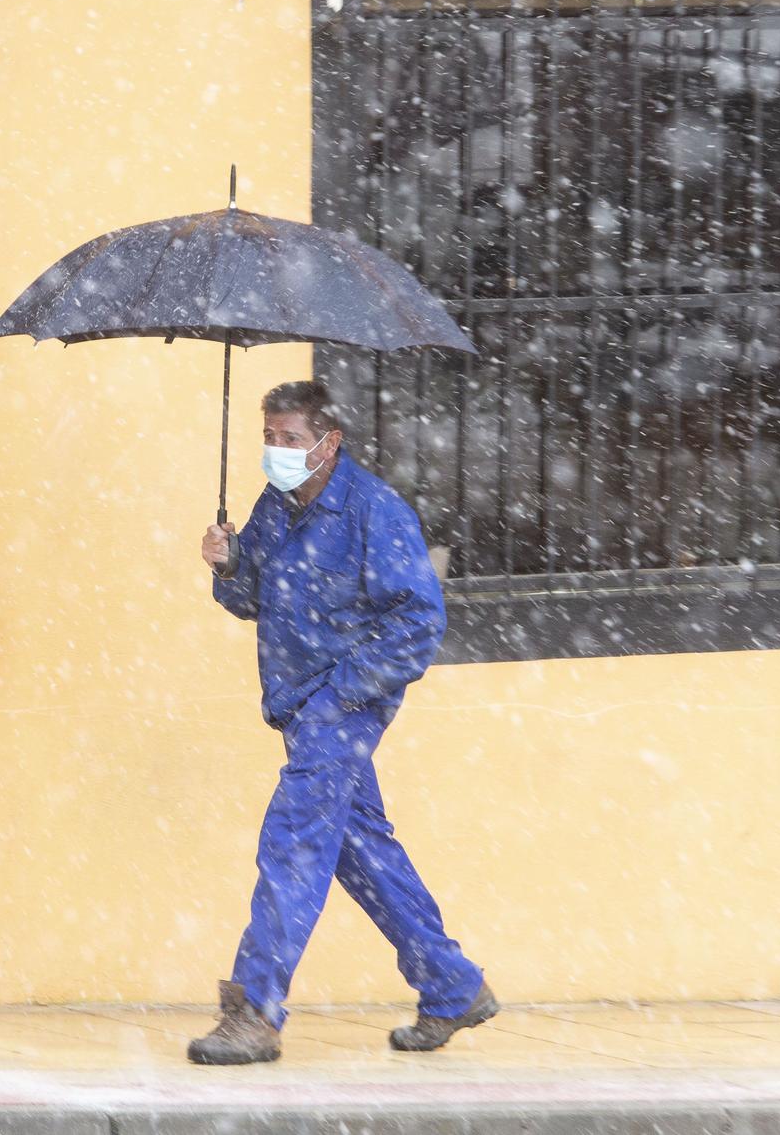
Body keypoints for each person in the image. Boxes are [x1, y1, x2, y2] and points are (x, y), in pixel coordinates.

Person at [187, 379, 494, 1066]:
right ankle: (452, 984)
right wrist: (228, 566)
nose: (277, 452)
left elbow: (419, 621)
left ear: (330, 443)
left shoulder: (374, 512)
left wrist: (342, 695)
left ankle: (253, 1011)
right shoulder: (275, 506)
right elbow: (255, 600)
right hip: (299, 704)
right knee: (359, 848)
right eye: (269, 438)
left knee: (292, 842)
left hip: (341, 704)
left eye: (290, 439)